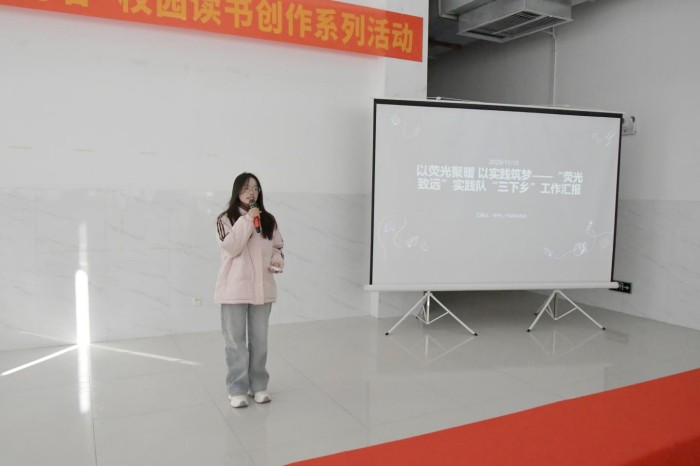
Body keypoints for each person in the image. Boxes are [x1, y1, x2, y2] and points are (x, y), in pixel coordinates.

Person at [215, 172, 284, 408]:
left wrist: (277, 260)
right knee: (235, 341)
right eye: (245, 188)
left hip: (262, 289)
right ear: (237, 191)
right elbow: (231, 248)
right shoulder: (225, 219)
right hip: (234, 289)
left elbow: (277, 246)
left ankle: (259, 386)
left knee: (260, 340)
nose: (251, 192)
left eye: (255, 188)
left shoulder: (268, 219)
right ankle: (237, 389)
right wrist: (247, 220)